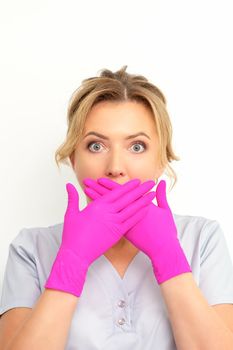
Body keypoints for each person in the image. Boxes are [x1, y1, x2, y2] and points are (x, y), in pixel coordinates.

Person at [0, 66, 233, 350]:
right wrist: (71, 261)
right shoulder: (30, 249)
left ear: (161, 160)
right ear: (74, 160)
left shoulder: (203, 239)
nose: (115, 168)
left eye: (137, 147)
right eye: (96, 146)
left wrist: (170, 258)